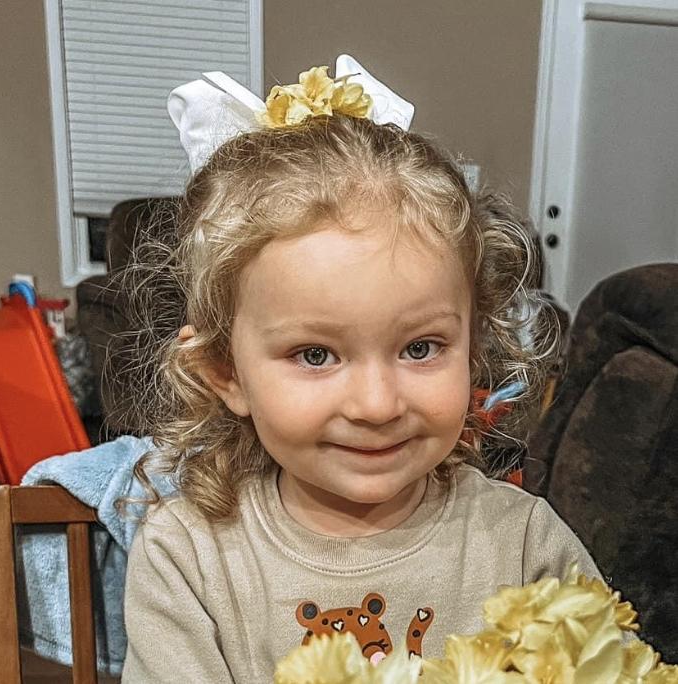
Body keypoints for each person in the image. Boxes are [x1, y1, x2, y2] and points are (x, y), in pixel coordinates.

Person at [120, 56, 600, 682]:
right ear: (225, 372)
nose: (377, 405)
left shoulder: (527, 545)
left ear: (473, 345)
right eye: (315, 355)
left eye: (421, 348)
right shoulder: (187, 558)